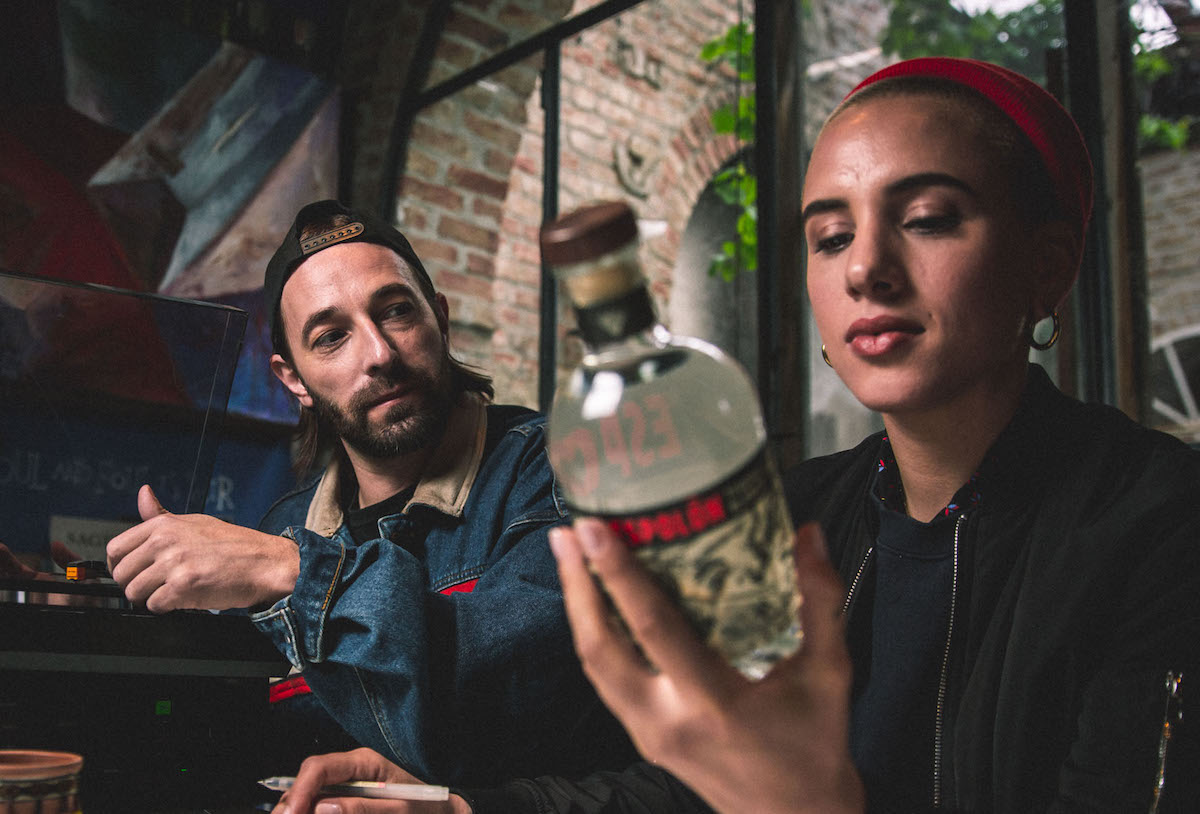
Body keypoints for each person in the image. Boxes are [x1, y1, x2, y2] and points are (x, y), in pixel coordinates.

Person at [267, 58, 1200, 814]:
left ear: (1048, 266)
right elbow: (690, 789)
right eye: (831, 237)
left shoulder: (1160, 524)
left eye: (926, 220)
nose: (867, 268)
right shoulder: (804, 512)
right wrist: (468, 807)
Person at [101, 199, 635, 787]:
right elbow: (227, 728)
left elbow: (521, 701)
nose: (380, 354)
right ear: (293, 379)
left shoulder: (557, 469)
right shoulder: (286, 524)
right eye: (332, 337)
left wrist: (295, 572)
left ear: (440, 320)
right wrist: (97, 606)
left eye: (397, 311)